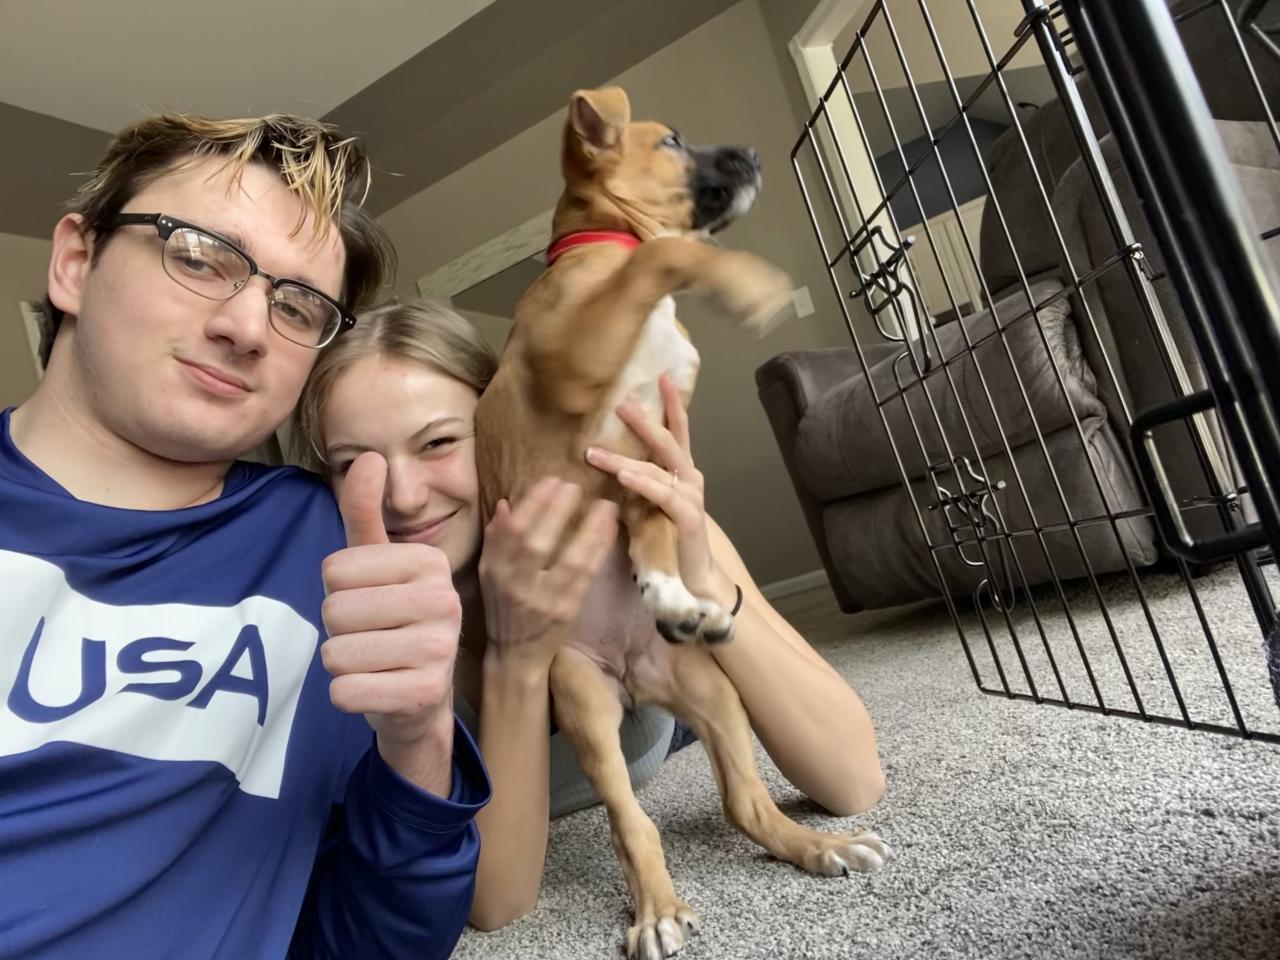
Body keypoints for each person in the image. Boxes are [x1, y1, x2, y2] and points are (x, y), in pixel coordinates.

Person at [0, 115, 491, 960]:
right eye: (199, 256)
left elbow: (372, 943)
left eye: (298, 305)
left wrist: (418, 741)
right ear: (76, 262)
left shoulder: (329, 550)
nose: (248, 327)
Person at [292, 299, 886, 931]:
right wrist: (518, 656)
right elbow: (495, 903)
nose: (405, 498)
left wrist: (701, 577)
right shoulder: (361, 638)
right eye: (353, 464)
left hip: (668, 718)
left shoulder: (617, 530)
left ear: (505, 425)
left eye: (438, 442)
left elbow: (853, 782)